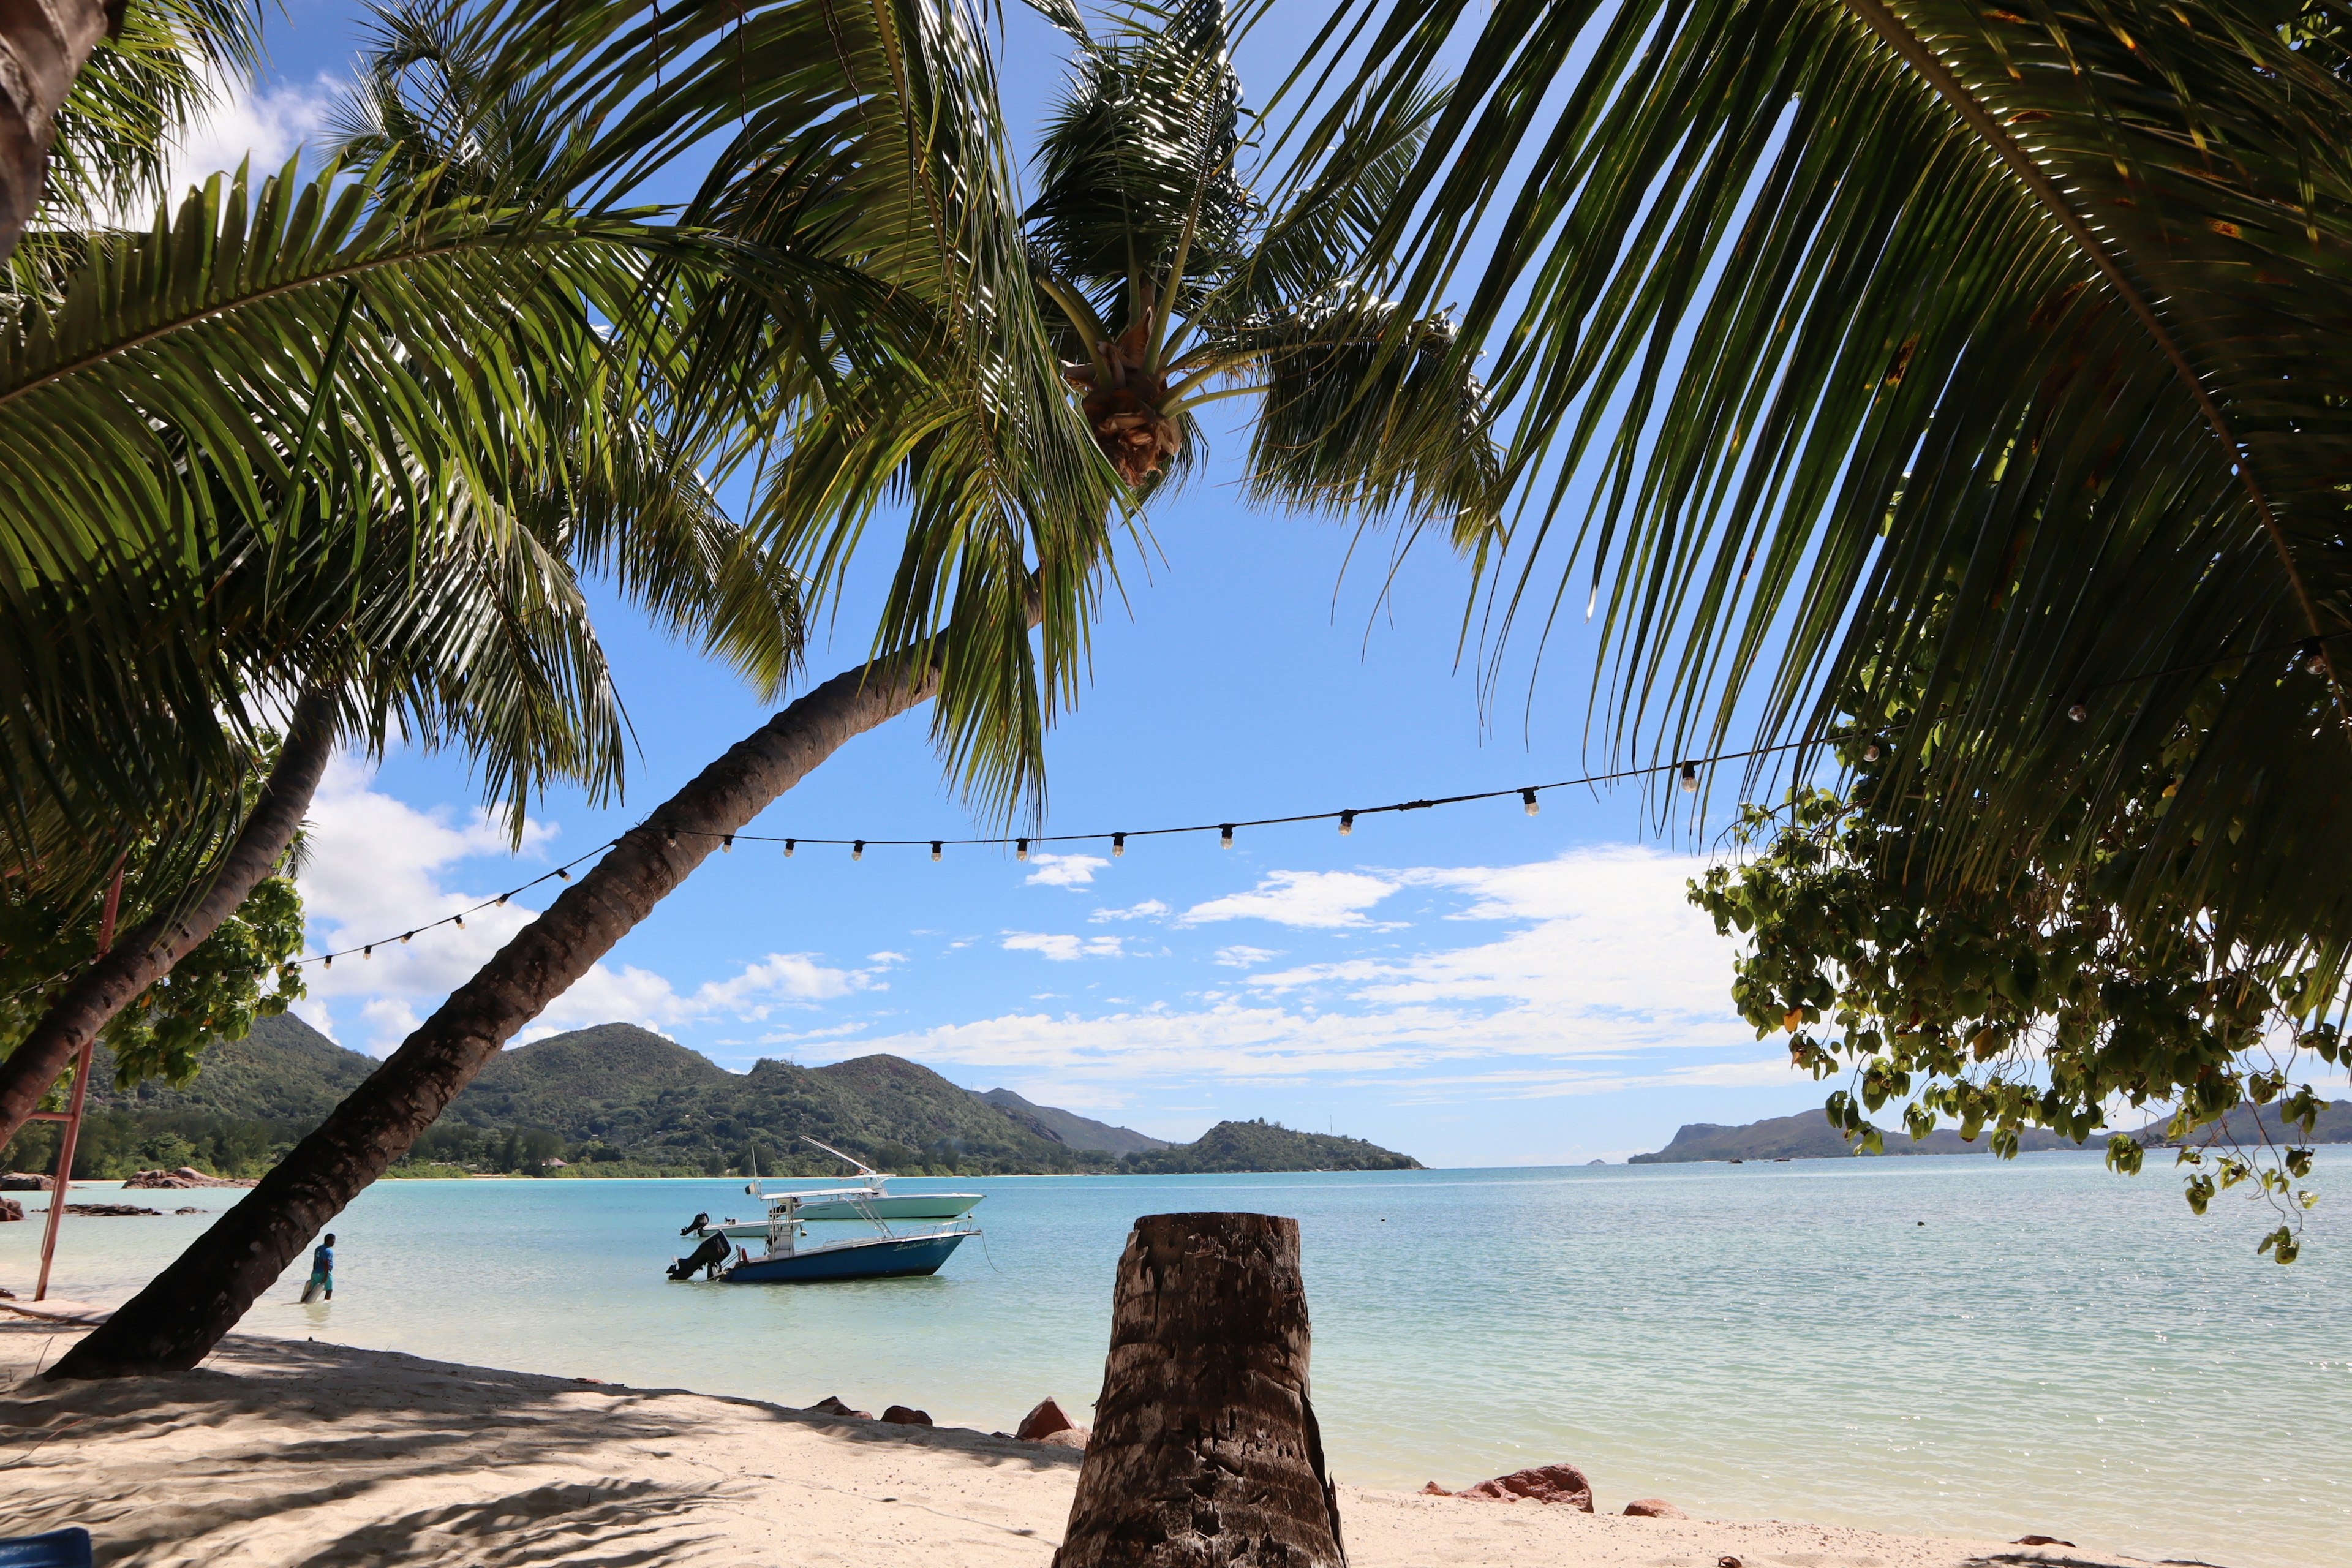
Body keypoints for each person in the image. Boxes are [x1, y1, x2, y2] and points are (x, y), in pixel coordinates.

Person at [304, 1234, 336, 1302]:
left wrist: (314, 1272)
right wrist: (326, 1276)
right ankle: (327, 1306)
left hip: (315, 1272)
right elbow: (326, 1263)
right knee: (329, 1290)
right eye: (333, 1241)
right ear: (329, 1241)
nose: (334, 1243)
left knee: (313, 1290)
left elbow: (315, 1260)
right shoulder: (328, 1251)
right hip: (324, 1272)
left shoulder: (318, 1249)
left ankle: (304, 1302)